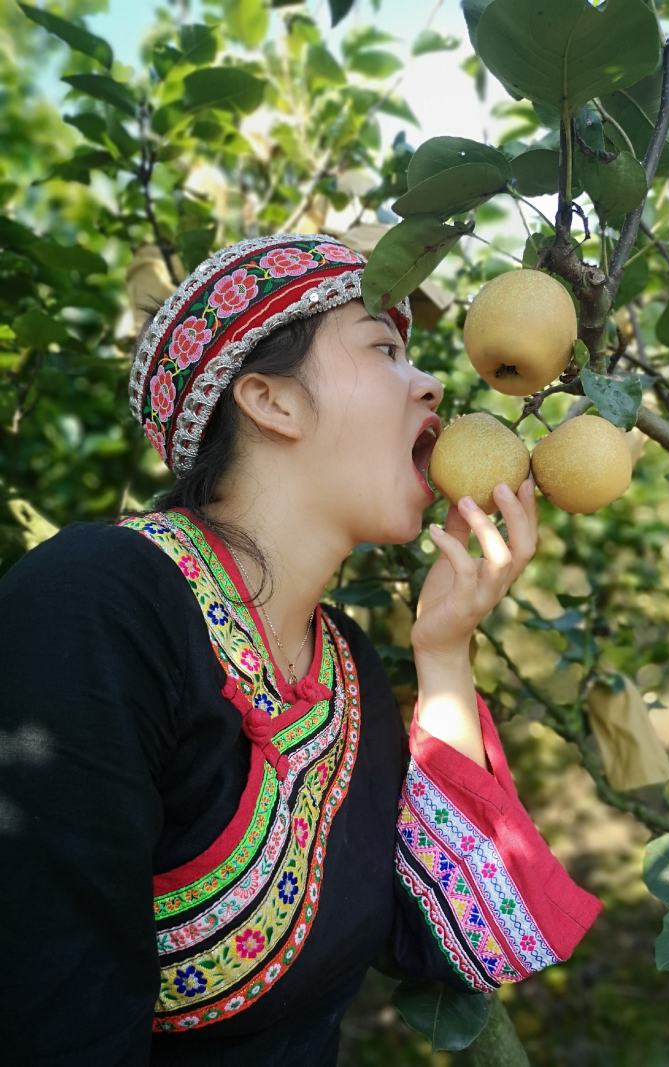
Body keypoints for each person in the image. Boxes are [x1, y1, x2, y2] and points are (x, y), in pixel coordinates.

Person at [0, 233, 603, 1065]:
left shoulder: (344, 665)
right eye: (384, 348)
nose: (429, 384)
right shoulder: (99, 603)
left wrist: (445, 654)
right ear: (272, 401)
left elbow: (446, 938)